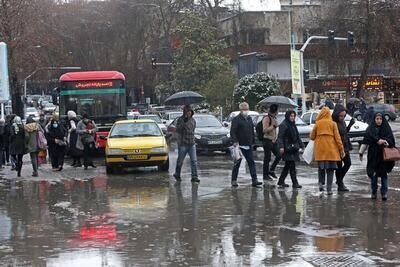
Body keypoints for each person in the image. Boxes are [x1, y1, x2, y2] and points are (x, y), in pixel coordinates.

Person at [359, 112, 395, 201]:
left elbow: (391, 141)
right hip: (373, 155)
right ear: (374, 120)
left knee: (384, 174)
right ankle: (374, 192)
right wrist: (361, 153)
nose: (379, 121)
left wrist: (385, 142)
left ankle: (384, 193)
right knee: (373, 175)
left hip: (384, 156)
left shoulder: (386, 128)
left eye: (380, 119)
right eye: (377, 119)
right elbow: (366, 141)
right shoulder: (370, 129)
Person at [310, 107, 344, 195]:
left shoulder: (317, 123)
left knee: (321, 168)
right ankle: (329, 189)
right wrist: (341, 149)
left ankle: (321, 183)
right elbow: (338, 138)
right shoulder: (333, 124)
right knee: (331, 169)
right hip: (331, 150)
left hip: (320, 150)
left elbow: (312, 137)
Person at [230, 102, 262, 187]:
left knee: (251, 162)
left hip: (248, 144)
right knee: (237, 162)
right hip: (239, 145)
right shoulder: (236, 119)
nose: (245, 111)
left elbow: (251, 130)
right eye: (243, 109)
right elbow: (233, 131)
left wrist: (253, 141)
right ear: (240, 110)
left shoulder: (249, 118)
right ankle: (234, 180)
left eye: (246, 109)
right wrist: (235, 141)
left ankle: (254, 180)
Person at [277, 110, 304, 189]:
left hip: (293, 148)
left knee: (288, 166)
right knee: (291, 166)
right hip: (287, 148)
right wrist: (281, 147)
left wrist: (302, 145)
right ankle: (295, 183)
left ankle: (281, 181)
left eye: (293, 116)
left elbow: (297, 136)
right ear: (288, 116)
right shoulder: (284, 125)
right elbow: (280, 137)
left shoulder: (293, 124)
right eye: (291, 116)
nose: (292, 117)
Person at [173, 105, 199, 183]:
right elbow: (178, 130)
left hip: (191, 143)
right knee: (180, 161)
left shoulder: (193, 120)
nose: (189, 113)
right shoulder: (180, 119)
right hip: (183, 144)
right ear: (185, 112)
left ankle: (194, 176)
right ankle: (177, 174)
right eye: (188, 111)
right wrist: (184, 123)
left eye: (190, 111)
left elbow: (193, 130)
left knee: (194, 161)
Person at [332, 104, 355, 192]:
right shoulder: (333, 123)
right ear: (337, 114)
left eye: (343, 116)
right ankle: (340, 185)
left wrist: (350, 125)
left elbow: (345, 132)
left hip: (345, 146)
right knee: (338, 165)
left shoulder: (342, 122)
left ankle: (339, 180)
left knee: (348, 163)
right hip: (337, 147)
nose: (342, 117)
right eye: (341, 115)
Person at [262, 104, 280, 180]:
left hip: (273, 141)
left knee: (279, 155)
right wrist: (273, 126)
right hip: (267, 140)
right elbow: (264, 130)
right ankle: (265, 175)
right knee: (267, 158)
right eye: (277, 110)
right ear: (275, 111)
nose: (278, 112)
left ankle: (271, 170)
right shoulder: (267, 118)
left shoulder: (274, 118)